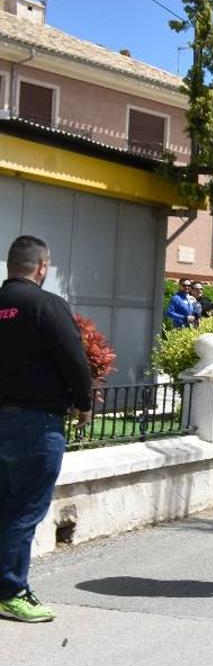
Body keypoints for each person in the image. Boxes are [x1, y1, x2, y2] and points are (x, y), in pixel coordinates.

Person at [0, 236, 93, 623]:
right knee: (24, 508)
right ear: (42, 267)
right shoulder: (45, 305)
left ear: (10, 265)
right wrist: (84, 403)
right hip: (35, 423)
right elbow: (74, 359)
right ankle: (11, 590)